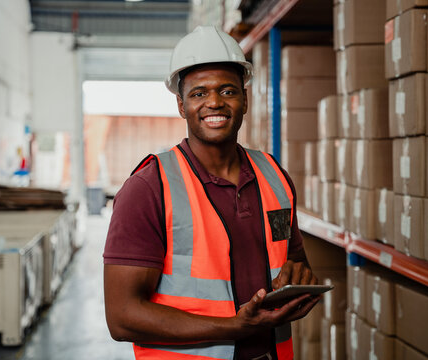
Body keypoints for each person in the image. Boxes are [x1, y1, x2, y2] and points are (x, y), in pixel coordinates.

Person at [103, 25, 319, 360]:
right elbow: (121, 317)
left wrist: (299, 276)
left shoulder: (274, 176)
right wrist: (234, 327)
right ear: (181, 105)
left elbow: (294, 259)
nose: (214, 102)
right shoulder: (148, 188)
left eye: (228, 91)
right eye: (199, 93)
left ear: (245, 99)